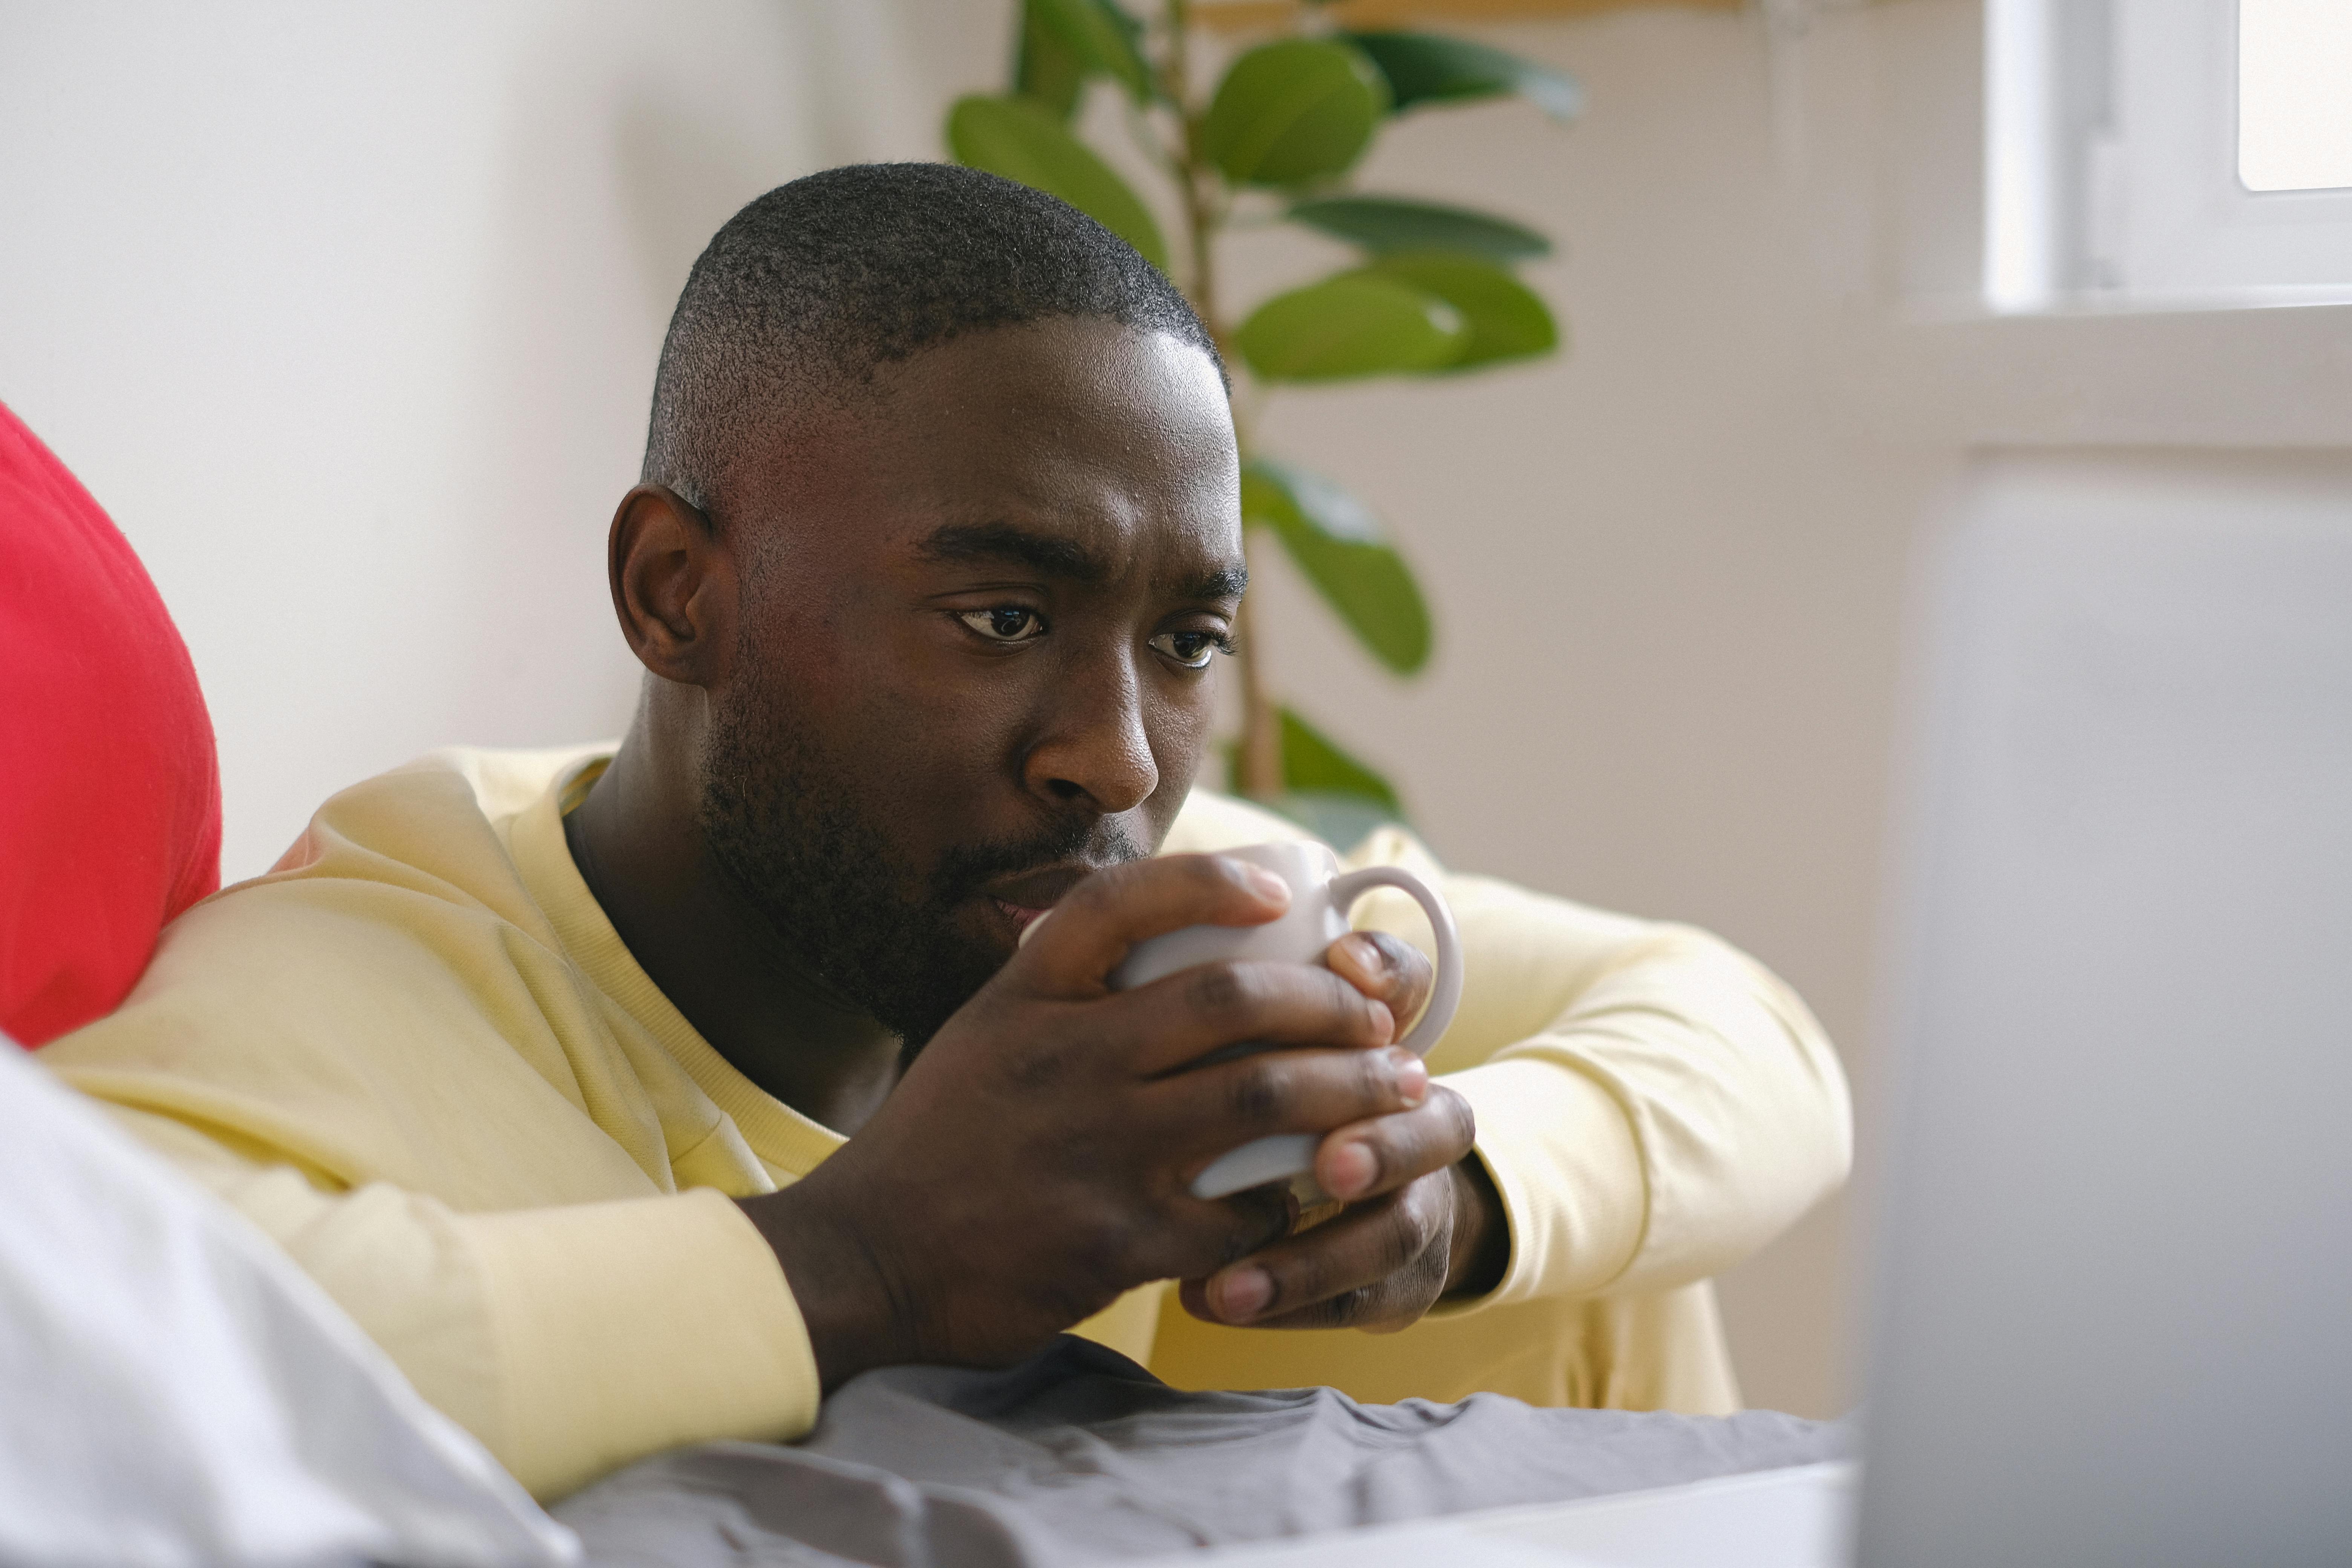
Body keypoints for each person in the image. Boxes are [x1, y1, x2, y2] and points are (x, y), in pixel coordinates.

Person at [45, 165, 1851, 1502]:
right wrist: (864, 1259)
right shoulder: (368, 970)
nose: (1116, 755)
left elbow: (1746, 1031)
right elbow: (77, 1386)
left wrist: (1446, 1199)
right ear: (681, 595)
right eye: (1001, 616)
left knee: (1599, 1247)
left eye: (1187, 638)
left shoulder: (1151, 894)